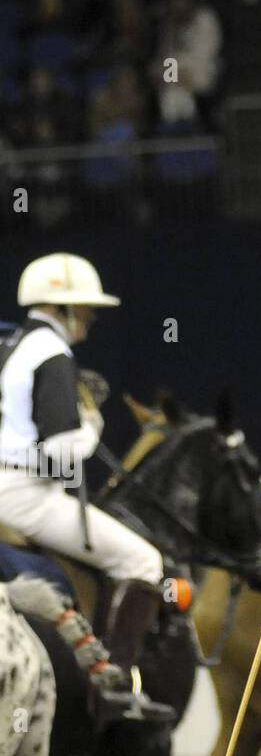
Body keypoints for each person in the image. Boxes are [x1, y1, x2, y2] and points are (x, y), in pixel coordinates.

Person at [0, 252, 174, 724]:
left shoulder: (13, 345)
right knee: (144, 561)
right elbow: (59, 454)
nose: (92, 317)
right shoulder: (52, 354)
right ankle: (113, 687)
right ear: (60, 308)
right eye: (84, 307)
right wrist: (92, 426)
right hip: (25, 494)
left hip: (9, 484)